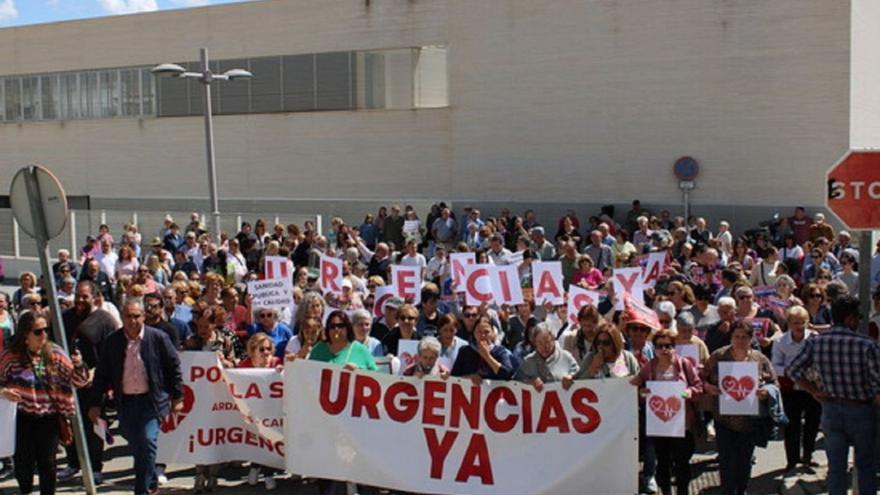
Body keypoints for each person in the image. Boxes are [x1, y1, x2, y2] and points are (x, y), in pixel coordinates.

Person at [86, 300, 182, 495]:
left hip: (151, 402)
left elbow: (174, 367)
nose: (133, 321)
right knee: (138, 446)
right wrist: (95, 403)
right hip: (126, 402)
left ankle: (142, 490)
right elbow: (102, 374)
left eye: (137, 316)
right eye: (128, 316)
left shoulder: (158, 338)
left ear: (143, 316)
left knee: (147, 441)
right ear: (122, 318)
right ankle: (151, 479)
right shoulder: (113, 342)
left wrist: (177, 396)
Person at [786, 295, 879, 495]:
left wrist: (814, 391)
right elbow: (877, 382)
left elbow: (793, 370)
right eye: (857, 317)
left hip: (830, 408)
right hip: (861, 409)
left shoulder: (817, 343)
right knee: (866, 465)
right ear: (850, 318)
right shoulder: (866, 345)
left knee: (836, 468)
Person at [0, 312, 89, 495]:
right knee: (23, 463)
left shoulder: (55, 354)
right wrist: (4, 392)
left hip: (48, 417)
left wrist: (79, 365)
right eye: (38, 331)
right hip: (21, 418)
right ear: (25, 335)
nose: (44, 335)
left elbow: (79, 382)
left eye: (45, 330)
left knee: (48, 463)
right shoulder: (10, 356)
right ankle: (25, 490)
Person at [703, 320, 779, 495]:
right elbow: (702, 378)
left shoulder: (760, 359)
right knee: (726, 462)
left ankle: (742, 490)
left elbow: (774, 384)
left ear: (751, 339)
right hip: (724, 420)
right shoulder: (719, 356)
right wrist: (709, 387)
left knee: (744, 462)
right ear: (731, 337)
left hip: (750, 421)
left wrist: (765, 392)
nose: (740, 341)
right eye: (736, 337)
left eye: (744, 337)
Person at [631, 329, 703, 495]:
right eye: (660, 346)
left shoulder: (684, 364)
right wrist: (642, 393)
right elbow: (636, 386)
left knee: (682, 463)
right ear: (654, 348)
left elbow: (698, 386)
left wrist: (689, 392)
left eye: (669, 346)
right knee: (662, 463)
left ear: (674, 347)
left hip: (682, 424)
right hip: (659, 425)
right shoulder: (649, 367)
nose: (664, 350)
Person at [770, 305, 820, 471]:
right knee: (792, 426)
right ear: (789, 323)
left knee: (812, 423)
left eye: (803, 322)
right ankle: (792, 460)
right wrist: (792, 371)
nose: (800, 326)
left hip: (812, 388)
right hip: (791, 389)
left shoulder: (815, 338)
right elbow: (774, 366)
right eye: (796, 322)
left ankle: (808, 456)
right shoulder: (780, 342)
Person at [239, 333, 282, 490]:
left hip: (272, 411)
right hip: (252, 412)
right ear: (252, 350)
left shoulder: (276, 363)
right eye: (262, 349)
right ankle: (255, 466)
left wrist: (281, 371)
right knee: (256, 440)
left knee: (269, 440)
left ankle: (267, 473)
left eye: (269, 349)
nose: (266, 353)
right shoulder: (245, 366)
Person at [451, 315, 516, 383]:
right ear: (474, 333)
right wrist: (468, 377)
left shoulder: (500, 351)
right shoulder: (465, 351)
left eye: (486, 332)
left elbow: (508, 374)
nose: (483, 335)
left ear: (493, 333)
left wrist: (487, 356)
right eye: (479, 332)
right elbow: (454, 377)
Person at [515, 323, 578, 391]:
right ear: (535, 343)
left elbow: (578, 374)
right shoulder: (528, 362)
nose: (544, 347)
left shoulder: (566, 357)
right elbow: (516, 383)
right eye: (540, 343)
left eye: (547, 342)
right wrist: (530, 381)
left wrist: (571, 377)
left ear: (553, 340)